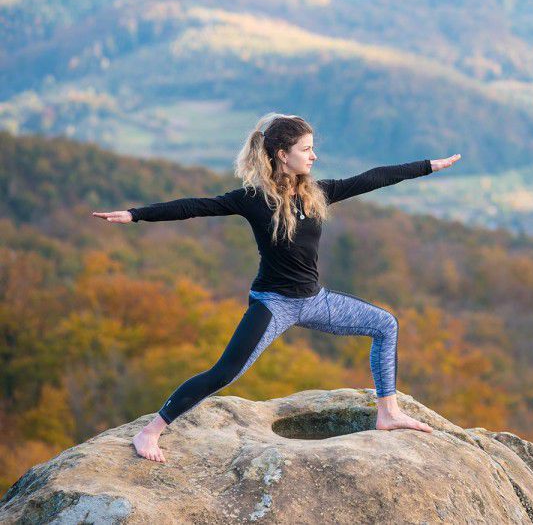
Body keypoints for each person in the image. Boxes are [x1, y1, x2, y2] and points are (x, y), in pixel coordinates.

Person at [92, 112, 461, 463]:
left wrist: (428, 166)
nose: (314, 156)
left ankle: (388, 412)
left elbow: (373, 177)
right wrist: (135, 214)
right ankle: (151, 431)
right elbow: (193, 206)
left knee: (386, 325)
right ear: (283, 155)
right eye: (306, 149)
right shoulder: (254, 200)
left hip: (315, 301)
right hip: (274, 304)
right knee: (224, 372)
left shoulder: (317, 193)